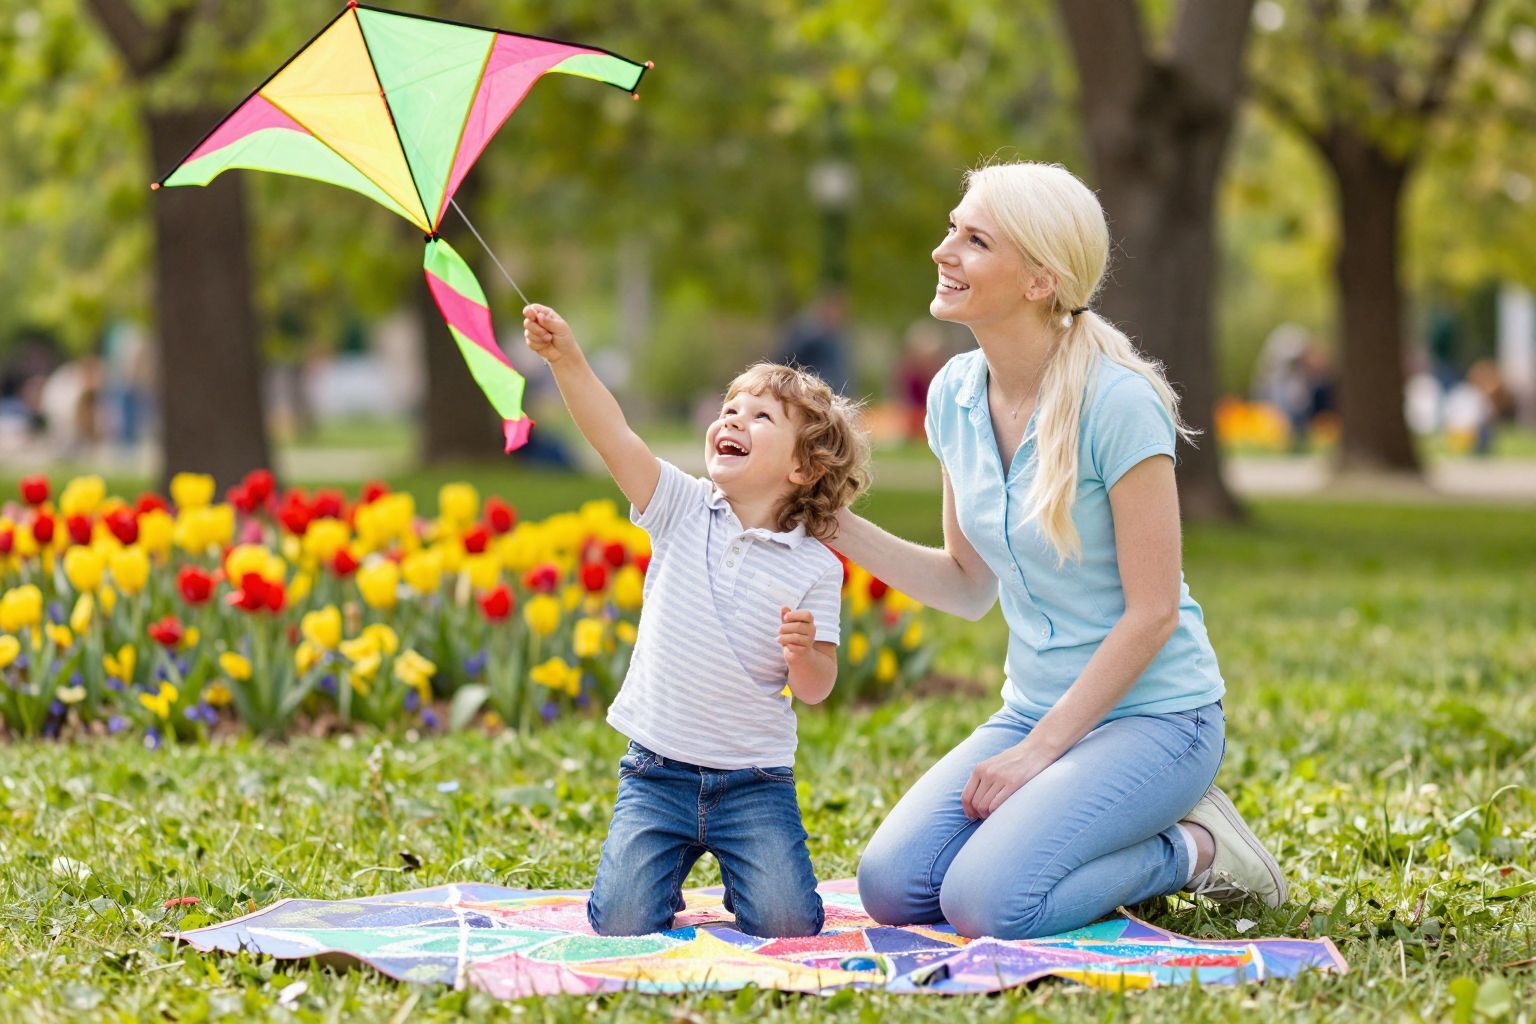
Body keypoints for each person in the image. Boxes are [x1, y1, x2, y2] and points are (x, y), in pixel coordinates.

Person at [831, 161, 1286, 941]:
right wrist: (831, 524)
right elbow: (968, 584)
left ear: (1041, 279)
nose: (944, 250)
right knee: (893, 887)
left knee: (987, 903)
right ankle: (1069, 823)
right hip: (1036, 708)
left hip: (1158, 720)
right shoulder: (954, 395)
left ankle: (1195, 848)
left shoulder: (1118, 401)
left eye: (974, 240)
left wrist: (1038, 755)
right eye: (952, 228)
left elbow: (1152, 613)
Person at [521, 303, 870, 937]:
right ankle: (663, 875)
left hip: (755, 783)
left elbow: (818, 688)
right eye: (729, 409)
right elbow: (614, 436)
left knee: (790, 925)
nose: (732, 419)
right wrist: (566, 360)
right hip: (658, 770)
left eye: (760, 416)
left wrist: (803, 656)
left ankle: (740, 878)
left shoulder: (816, 566)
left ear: (803, 468)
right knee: (621, 923)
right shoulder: (679, 507)